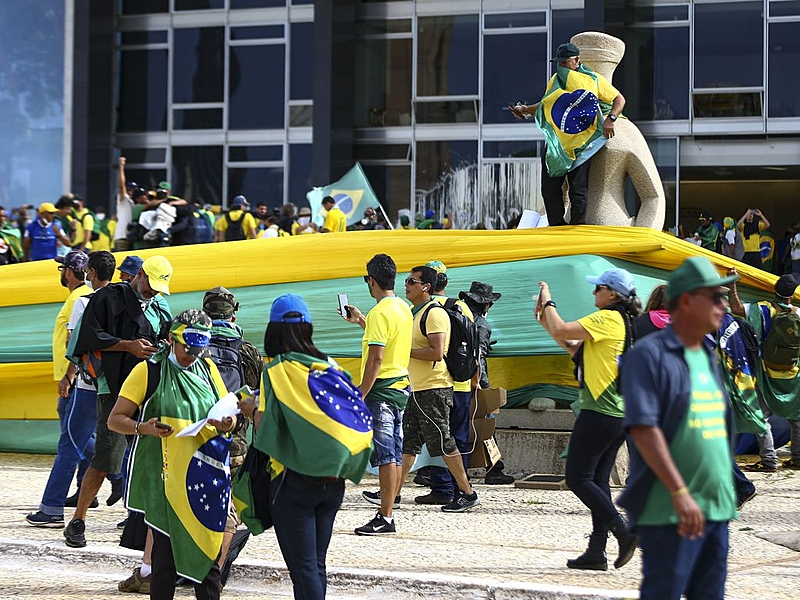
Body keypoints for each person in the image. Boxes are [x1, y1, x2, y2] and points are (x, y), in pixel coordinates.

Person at [237, 294, 373, 600]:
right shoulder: (330, 366)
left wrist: (250, 408)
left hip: (292, 483)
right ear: (308, 327)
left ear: (273, 331)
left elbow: (264, 428)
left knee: (304, 570)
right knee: (317, 565)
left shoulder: (276, 372)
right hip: (333, 481)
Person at [619, 257, 739, 600]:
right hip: (671, 510)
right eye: (715, 297)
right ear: (686, 301)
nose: (723, 304)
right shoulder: (648, 355)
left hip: (716, 508)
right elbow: (644, 428)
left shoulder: (706, 353)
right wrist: (679, 492)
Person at [108, 309, 235, 600]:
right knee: (164, 565)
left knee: (208, 564)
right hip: (165, 481)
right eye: (187, 349)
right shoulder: (148, 372)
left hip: (203, 477)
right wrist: (144, 428)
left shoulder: (208, 370)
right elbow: (115, 420)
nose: (192, 356)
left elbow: (228, 412)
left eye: (198, 350)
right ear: (170, 339)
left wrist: (230, 422)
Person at [64, 255, 174, 548]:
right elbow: (89, 337)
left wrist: (163, 345)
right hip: (115, 387)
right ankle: (78, 520)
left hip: (151, 388)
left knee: (151, 457)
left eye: (158, 288)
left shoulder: (160, 306)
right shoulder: (107, 298)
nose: (153, 292)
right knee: (107, 456)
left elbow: (169, 337)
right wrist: (128, 345)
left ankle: (141, 520)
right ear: (139, 274)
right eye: (150, 285)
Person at [535, 268, 640, 571]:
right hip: (617, 413)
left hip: (600, 411)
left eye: (599, 288)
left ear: (613, 294)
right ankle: (596, 550)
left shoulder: (607, 318)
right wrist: (544, 318)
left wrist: (549, 300)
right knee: (596, 481)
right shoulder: (620, 320)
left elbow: (563, 328)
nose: (594, 292)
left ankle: (622, 530)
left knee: (577, 478)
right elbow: (570, 345)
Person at [509, 42, 625, 226]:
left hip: (581, 142)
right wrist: (524, 109)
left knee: (578, 189)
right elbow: (547, 103)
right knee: (549, 188)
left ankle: (577, 228)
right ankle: (557, 226)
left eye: (565, 62)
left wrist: (611, 118)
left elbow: (619, 99)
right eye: (559, 63)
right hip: (557, 143)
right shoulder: (555, 80)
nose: (561, 66)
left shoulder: (593, 79)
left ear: (577, 60)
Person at [395, 266, 480, 513]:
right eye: (407, 280)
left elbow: (437, 351)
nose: (406, 284)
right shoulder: (414, 312)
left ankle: (467, 492)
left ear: (426, 287)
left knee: (444, 442)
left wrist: (403, 351)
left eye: (412, 281)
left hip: (434, 388)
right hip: (418, 388)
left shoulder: (434, 314)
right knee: (409, 443)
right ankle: (394, 493)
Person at [24, 250, 97, 526]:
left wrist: (68, 376)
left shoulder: (78, 299)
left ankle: (52, 507)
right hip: (75, 379)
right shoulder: (78, 297)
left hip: (75, 380)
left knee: (71, 441)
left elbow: (73, 344)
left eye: (62, 269)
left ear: (69, 271)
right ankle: (96, 484)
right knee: (80, 438)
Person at [343, 254, 412, 535]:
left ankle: (385, 516)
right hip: (400, 387)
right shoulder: (402, 307)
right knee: (394, 453)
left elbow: (376, 359)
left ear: (371, 280)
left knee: (385, 456)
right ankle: (387, 510)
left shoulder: (380, 313)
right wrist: (361, 320)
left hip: (381, 391)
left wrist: (361, 391)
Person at [735, 274, 800, 472]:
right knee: (796, 417)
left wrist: (732, 286)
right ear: (792, 294)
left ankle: (769, 460)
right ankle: (798, 458)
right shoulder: (798, 313)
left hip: (765, 372)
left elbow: (737, 309)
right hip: (792, 372)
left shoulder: (761, 309)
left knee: (762, 417)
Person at [458, 281, 514, 485]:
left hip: (455, 381)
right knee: (486, 424)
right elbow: (478, 356)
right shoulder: (481, 325)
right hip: (475, 382)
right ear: (486, 304)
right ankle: (494, 468)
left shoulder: (459, 318)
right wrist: (481, 383)